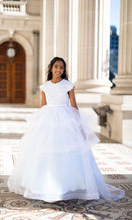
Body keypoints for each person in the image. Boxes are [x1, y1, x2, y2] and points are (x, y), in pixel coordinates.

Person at [8, 57, 124, 202]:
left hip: (66, 119)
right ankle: (46, 187)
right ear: (51, 68)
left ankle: (69, 186)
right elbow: (43, 106)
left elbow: (74, 106)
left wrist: (79, 125)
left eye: (62, 67)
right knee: (46, 152)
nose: (59, 70)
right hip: (48, 119)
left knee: (69, 151)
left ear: (64, 70)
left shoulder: (68, 85)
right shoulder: (45, 86)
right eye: (56, 67)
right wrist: (39, 124)